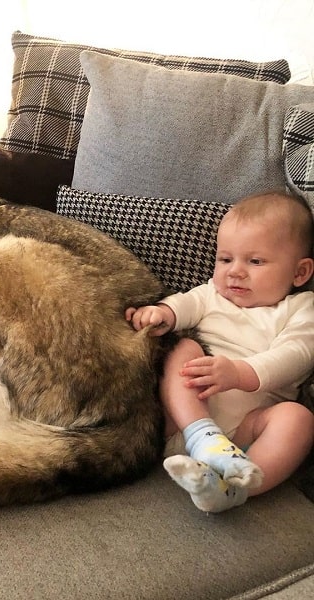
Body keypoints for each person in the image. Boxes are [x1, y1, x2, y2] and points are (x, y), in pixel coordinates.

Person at [126, 191, 314, 512]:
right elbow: (186, 303)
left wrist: (238, 373)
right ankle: (204, 438)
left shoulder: (301, 308)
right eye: (225, 259)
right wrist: (162, 313)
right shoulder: (213, 294)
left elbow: (297, 353)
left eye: (255, 261)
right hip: (183, 417)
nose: (234, 271)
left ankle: (231, 489)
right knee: (184, 349)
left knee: (298, 420)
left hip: (248, 430)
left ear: (300, 273)